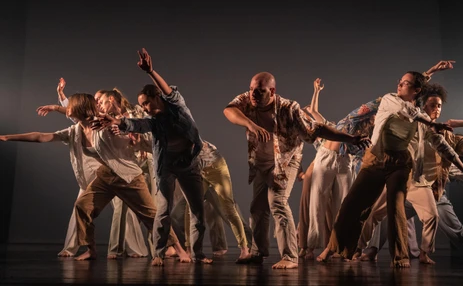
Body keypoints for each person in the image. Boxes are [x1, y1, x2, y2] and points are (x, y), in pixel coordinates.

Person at [1, 93, 191, 262]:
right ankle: (91, 249)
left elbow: (124, 129)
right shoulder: (75, 131)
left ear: (80, 109)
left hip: (128, 176)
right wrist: (8, 137)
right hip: (106, 175)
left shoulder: (103, 123)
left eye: (71, 106)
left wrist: (127, 133)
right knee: (82, 207)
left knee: (151, 215)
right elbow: (42, 136)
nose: (68, 109)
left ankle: (180, 250)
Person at [320, 68, 463, 268]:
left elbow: (442, 145)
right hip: (375, 160)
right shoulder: (389, 99)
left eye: (405, 83)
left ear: (417, 90)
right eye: (400, 81)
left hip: (400, 165)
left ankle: (400, 257)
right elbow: (406, 111)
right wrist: (429, 122)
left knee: (396, 208)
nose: (399, 85)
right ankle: (335, 247)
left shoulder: (422, 119)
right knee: (352, 204)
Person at [222, 71, 371, 269]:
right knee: (257, 208)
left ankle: (290, 256)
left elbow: (316, 129)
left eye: (259, 91)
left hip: (285, 162)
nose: (253, 95)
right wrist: (251, 124)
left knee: (277, 203)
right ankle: (258, 252)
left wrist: (350, 139)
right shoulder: (247, 100)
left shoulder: (288, 108)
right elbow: (229, 110)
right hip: (260, 162)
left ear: (272, 91)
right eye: (251, 90)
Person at [96, 48, 212, 265]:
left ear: (157, 97)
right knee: (163, 210)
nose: (145, 108)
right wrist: (115, 122)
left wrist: (151, 71)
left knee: (198, 211)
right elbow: (138, 124)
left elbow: (170, 93)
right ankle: (158, 253)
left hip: (188, 165)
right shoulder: (154, 121)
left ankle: (198, 254)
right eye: (142, 106)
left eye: (147, 103)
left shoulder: (178, 108)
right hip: (166, 166)